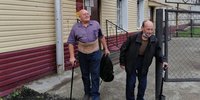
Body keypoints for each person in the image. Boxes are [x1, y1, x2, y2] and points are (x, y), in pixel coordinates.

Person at [67, 9, 110, 100]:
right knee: (85, 75)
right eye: (84, 14)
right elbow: (70, 42)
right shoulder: (75, 27)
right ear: (80, 17)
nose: (87, 15)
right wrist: (72, 56)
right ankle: (87, 93)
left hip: (95, 52)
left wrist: (106, 48)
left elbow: (101, 37)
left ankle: (95, 95)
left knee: (95, 74)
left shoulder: (96, 24)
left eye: (87, 13)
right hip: (82, 54)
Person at [120, 20, 168, 100]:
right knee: (131, 83)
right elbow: (123, 49)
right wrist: (122, 62)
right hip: (132, 61)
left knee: (142, 83)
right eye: (148, 29)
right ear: (142, 28)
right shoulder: (132, 38)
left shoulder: (154, 40)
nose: (150, 31)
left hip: (144, 62)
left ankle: (140, 98)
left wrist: (163, 60)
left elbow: (158, 52)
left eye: (151, 29)